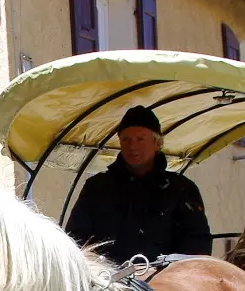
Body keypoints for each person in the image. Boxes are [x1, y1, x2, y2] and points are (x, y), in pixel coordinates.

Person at [64, 106, 212, 262]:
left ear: (157, 143)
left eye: (140, 139)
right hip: (107, 280)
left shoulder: (181, 189)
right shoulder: (97, 187)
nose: (132, 146)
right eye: (126, 139)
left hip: (162, 281)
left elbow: (197, 246)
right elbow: (75, 240)